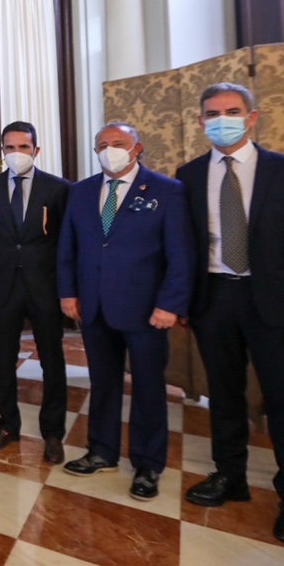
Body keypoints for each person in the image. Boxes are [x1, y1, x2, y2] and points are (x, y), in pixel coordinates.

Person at [176, 83, 284, 546]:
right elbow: (184, 246)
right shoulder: (187, 175)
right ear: (201, 121)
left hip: (276, 306)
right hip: (214, 300)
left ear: (251, 117)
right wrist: (184, 301)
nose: (220, 119)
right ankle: (231, 476)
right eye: (211, 113)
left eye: (231, 111)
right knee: (223, 396)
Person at [57, 122, 194, 502]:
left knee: (149, 387)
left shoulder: (166, 190)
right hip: (94, 306)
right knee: (103, 383)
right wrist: (68, 293)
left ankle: (148, 464)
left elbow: (180, 254)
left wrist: (171, 303)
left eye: (117, 143)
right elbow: (68, 248)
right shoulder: (82, 192)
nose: (108, 149)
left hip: (147, 309)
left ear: (137, 148)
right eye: (101, 144)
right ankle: (101, 450)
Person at [0, 121, 71, 463]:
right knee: (3, 359)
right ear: (2, 152)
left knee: (52, 361)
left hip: (45, 286)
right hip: (4, 285)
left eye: (24, 147)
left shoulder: (58, 189)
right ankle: (7, 425)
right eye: (10, 148)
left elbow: (65, 241)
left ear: (37, 150)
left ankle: (53, 433)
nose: (17, 154)